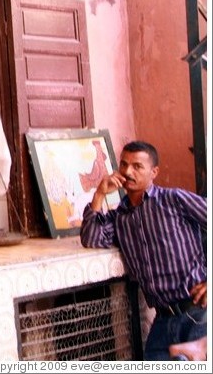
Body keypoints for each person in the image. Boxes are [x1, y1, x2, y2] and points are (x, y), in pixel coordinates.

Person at [80, 140, 207, 361]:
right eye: (124, 165)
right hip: (162, 322)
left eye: (137, 166)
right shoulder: (120, 216)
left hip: (199, 315)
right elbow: (91, 238)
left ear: (154, 172)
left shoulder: (174, 200)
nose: (128, 172)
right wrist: (99, 194)